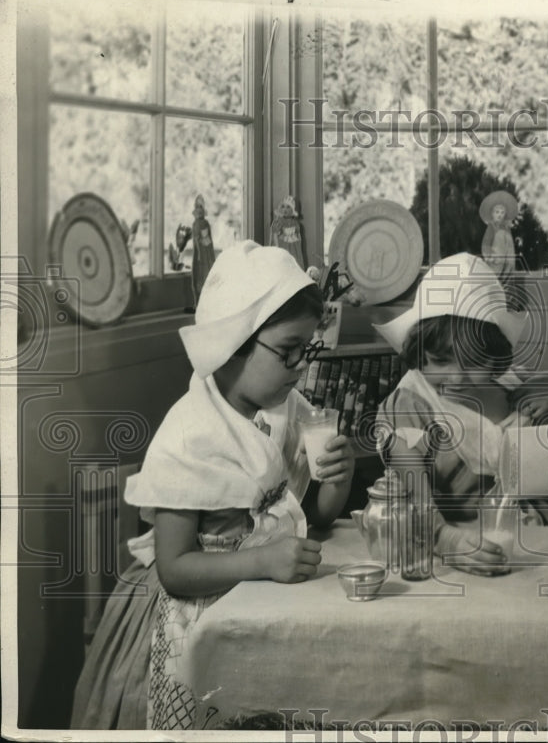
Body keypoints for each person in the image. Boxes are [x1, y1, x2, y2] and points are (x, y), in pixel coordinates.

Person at [71, 241, 356, 729]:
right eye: (288, 352)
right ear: (232, 344)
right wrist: (263, 560)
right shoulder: (191, 433)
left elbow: (317, 517)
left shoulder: (285, 411)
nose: (301, 367)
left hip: (264, 598)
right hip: (194, 614)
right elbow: (175, 569)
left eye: (305, 350)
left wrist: (338, 477)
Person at [373, 252, 548, 575]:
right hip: (459, 547)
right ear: (420, 350)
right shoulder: (410, 405)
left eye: (474, 363)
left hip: (539, 540)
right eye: (441, 360)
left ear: (494, 356)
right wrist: (446, 540)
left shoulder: (513, 385)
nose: (458, 377)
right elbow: (412, 493)